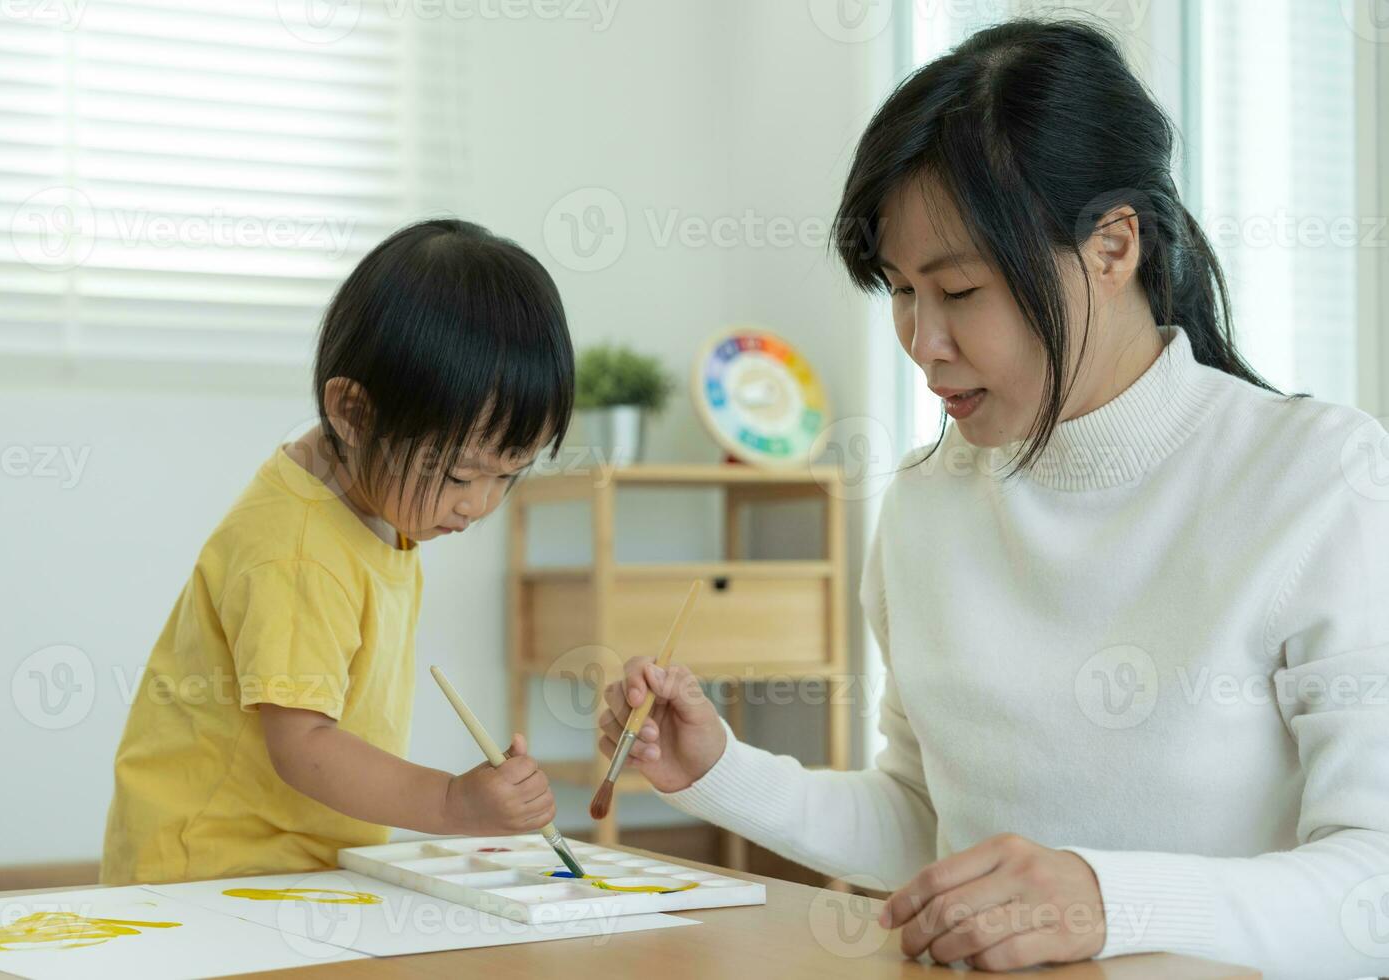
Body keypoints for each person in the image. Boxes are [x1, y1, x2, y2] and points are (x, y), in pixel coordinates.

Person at [598, 20, 1388, 978]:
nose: (923, 341)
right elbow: (928, 821)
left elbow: (1370, 890)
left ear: (1113, 245)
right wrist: (722, 772)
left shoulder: (1317, 479)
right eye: (899, 292)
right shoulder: (929, 506)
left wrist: (1106, 900)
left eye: (960, 290)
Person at [102, 219, 574, 885]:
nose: (481, 504)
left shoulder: (378, 506)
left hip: (300, 862)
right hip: (212, 870)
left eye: (511, 474)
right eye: (463, 475)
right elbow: (304, 745)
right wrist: (451, 801)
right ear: (354, 414)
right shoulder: (297, 550)